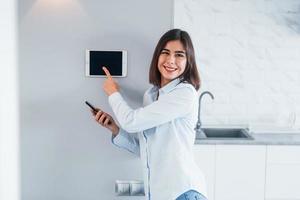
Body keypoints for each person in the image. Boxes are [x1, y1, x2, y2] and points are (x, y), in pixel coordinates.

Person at [91, 29, 208, 200]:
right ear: (157, 57)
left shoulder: (185, 93)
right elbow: (146, 149)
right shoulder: (151, 95)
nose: (171, 60)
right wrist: (115, 129)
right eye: (165, 53)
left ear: (188, 61)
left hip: (183, 192)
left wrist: (113, 93)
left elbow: (131, 121)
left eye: (179, 55)